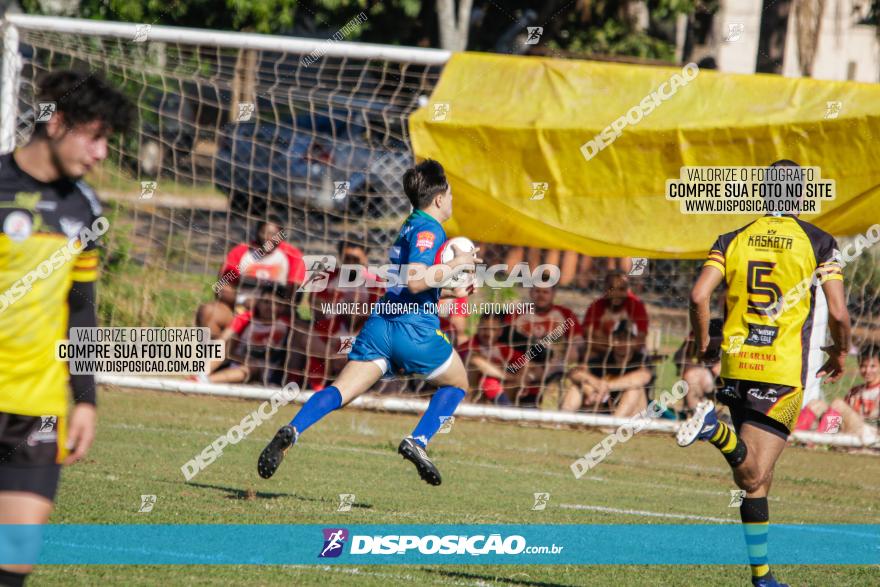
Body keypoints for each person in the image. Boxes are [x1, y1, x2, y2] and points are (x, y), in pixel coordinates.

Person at [677, 160, 851, 587]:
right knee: (753, 473)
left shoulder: (732, 239)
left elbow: (699, 294)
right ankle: (715, 431)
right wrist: (841, 353)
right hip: (782, 372)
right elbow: (841, 314)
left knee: (757, 477)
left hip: (736, 368)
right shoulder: (818, 242)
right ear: (800, 196)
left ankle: (763, 577)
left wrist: (703, 344)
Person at [257, 159, 480, 485]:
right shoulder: (430, 229)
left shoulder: (409, 224)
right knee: (458, 383)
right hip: (412, 330)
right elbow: (417, 282)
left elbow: (410, 285)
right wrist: (458, 262)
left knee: (339, 392)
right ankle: (418, 441)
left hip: (381, 325)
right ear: (438, 199)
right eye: (449, 193)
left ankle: (293, 428)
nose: (451, 199)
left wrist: (449, 291)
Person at [0, 69, 134, 586]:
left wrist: (86, 399)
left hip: (36, 411)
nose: (102, 153)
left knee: (13, 567)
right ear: (56, 124)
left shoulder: (84, 210)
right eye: (95, 136)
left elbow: (82, 309)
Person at [195, 217, 305, 338]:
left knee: (299, 327)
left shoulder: (292, 255)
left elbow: (296, 293)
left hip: (275, 314)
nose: (268, 238)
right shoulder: (241, 252)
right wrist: (243, 301)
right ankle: (216, 353)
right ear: (257, 233)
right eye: (264, 232)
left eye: (273, 234)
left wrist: (271, 306)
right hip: (240, 310)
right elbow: (221, 288)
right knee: (208, 312)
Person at [561, 320, 653, 417]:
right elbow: (575, 373)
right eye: (618, 338)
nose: (622, 343)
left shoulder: (641, 359)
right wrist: (594, 384)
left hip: (634, 415)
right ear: (612, 340)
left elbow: (643, 377)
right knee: (577, 387)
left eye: (627, 339)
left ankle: (612, 426)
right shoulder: (604, 359)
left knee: (635, 389)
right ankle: (562, 422)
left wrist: (606, 386)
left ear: (634, 342)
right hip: (604, 406)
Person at [203, 284, 291, 386]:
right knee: (222, 348)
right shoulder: (246, 318)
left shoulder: (287, 323)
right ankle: (201, 374)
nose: (271, 307)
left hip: (267, 370)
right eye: (266, 302)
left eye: (277, 304)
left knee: (250, 368)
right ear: (258, 303)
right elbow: (223, 338)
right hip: (240, 361)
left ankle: (207, 381)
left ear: (284, 307)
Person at [795, 343, 879, 444]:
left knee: (838, 404)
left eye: (873, 366)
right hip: (847, 428)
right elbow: (838, 416)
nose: (867, 371)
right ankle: (793, 437)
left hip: (870, 434)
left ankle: (823, 441)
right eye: (863, 366)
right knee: (815, 404)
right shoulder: (855, 391)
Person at [582, 271, 649, 360]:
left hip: (630, 353)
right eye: (612, 288)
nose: (616, 293)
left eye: (621, 289)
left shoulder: (636, 305)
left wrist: (608, 341)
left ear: (627, 289)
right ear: (605, 288)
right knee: (588, 354)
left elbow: (639, 341)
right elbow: (589, 339)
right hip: (602, 352)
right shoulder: (596, 306)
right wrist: (620, 344)